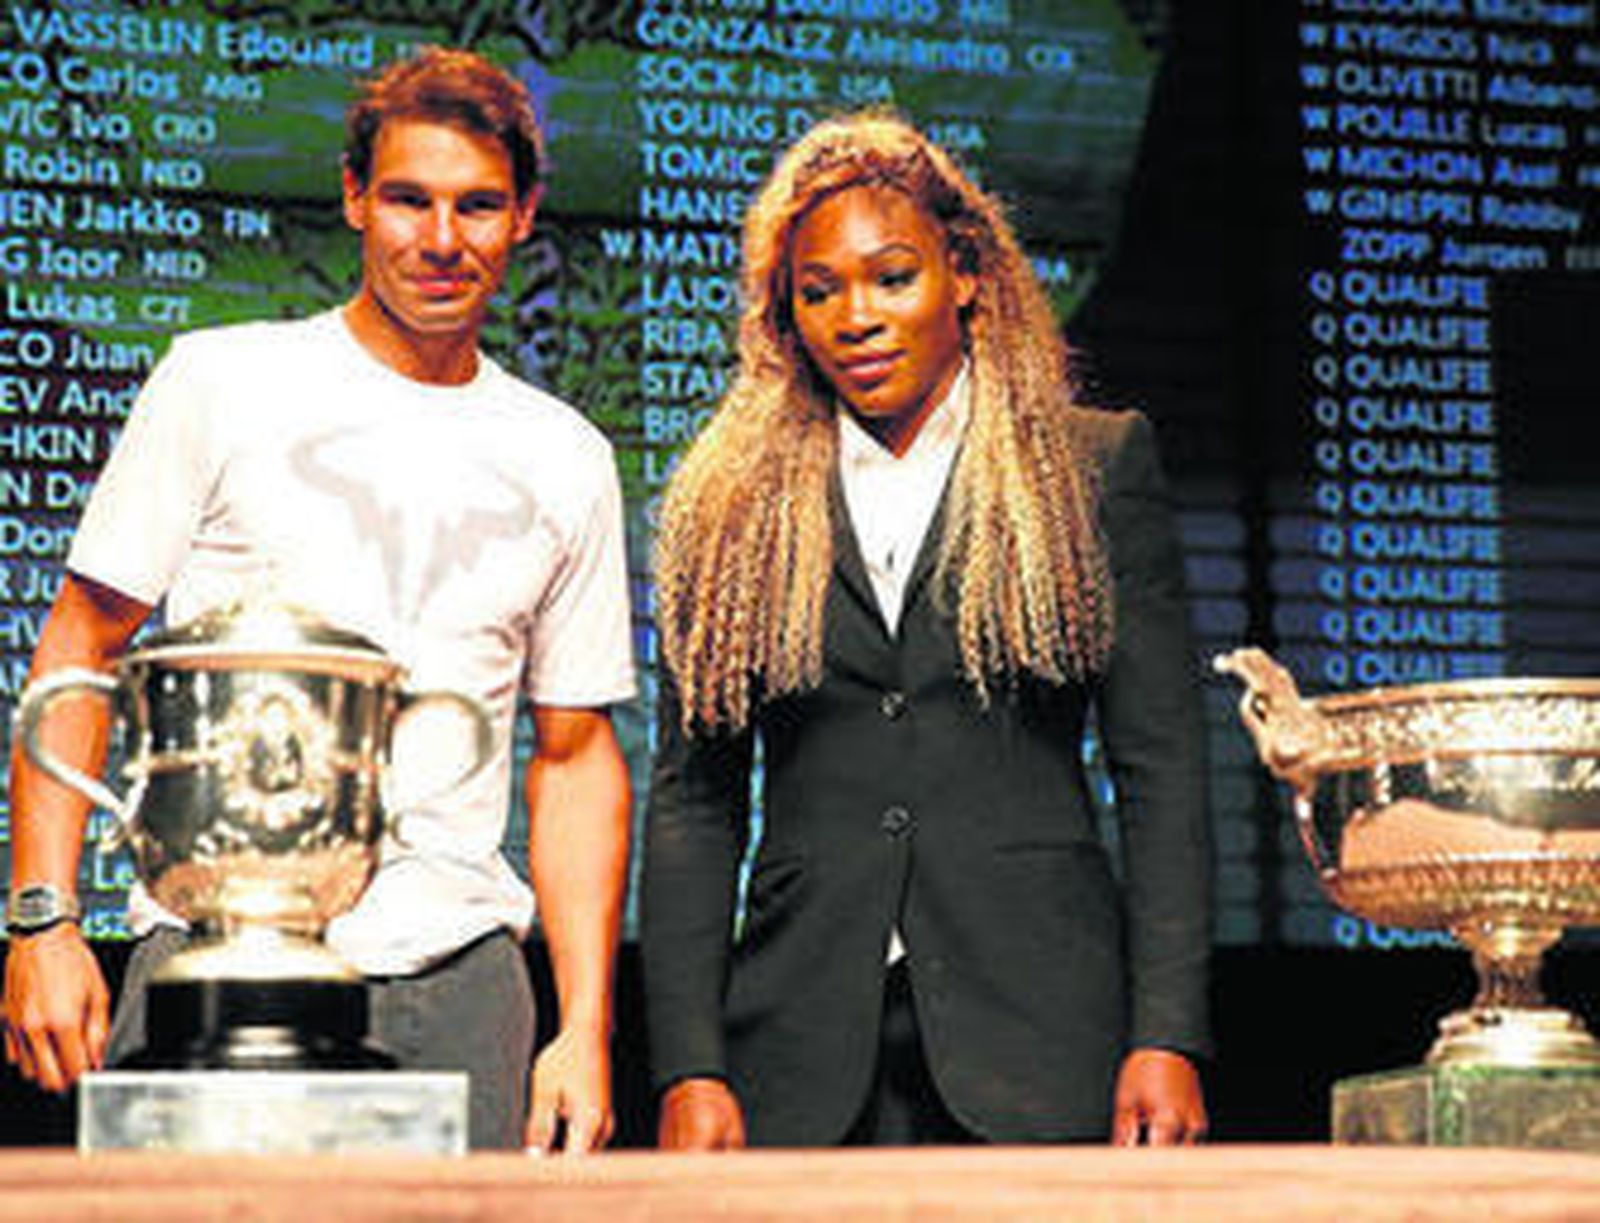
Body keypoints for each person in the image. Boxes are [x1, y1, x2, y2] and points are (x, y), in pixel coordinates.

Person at [2, 47, 634, 1153]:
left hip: (461, 979)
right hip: (210, 950)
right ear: (354, 198)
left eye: (479, 205)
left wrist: (583, 1025)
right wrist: (42, 917)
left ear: (527, 214)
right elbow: (80, 645)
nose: (442, 241)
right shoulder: (217, 382)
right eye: (409, 200)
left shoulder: (566, 455)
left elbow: (575, 752)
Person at [641, 111, 1211, 1148]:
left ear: (965, 276)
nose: (854, 316)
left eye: (890, 277)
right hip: (796, 1045)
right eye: (819, 292)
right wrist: (687, 1064)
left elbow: (1163, 768)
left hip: (1045, 1032)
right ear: (784, 315)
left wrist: (1167, 1032)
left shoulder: (1088, 468)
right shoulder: (726, 505)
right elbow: (693, 802)